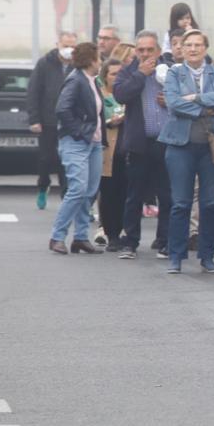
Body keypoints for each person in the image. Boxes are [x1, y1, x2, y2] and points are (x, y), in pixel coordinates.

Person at [158, 30, 214, 275]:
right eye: (188, 45)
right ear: (182, 48)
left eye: (198, 45)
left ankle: (207, 256)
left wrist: (196, 97)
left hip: (211, 148)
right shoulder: (174, 73)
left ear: (206, 48)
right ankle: (176, 257)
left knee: (210, 203)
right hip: (180, 145)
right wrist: (203, 109)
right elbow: (174, 103)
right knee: (180, 203)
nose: (192, 49)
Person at [114, 31, 173, 260]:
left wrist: (169, 100)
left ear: (158, 51)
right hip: (139, 143)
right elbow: (120, 94)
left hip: (165, 142)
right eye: (141, 50)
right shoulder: (129, 72)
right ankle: (130, 241)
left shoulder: (170, 70)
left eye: (150, 49)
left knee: (167, 194)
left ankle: (165, 240)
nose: (145, 54)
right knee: (135, 194)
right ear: (135, 51)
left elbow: (186, 95)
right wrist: (141, 74)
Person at [48, 43, 105, 255]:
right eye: (99, 58)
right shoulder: (76, 79)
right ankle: (57, 236)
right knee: (78, 189)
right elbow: (62, 109)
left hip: (94, 144)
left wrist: (100, 138)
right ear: (91, 60)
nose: (101, 62)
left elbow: (97, 114)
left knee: (89, 192)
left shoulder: (91, 80)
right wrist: (80, 132)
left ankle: (80, 237)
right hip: (76, 142)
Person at [27, 30, 77, 209]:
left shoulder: (78, 65)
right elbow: (33, 92)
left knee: (67, 159)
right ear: (58, 45)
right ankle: (43, 185)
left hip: (69, 122)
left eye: (73, 46)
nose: (69, 49)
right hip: (47, 119)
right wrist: (34, 119)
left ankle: (65, 195)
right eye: (66, 45)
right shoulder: (45, 64)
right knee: (46, 158)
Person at [94, 59, 127, 251]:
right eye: (113, 74)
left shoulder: (127, 95)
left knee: (124, 192)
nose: (117, 78)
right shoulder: (100, 95)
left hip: (126, 148)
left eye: (120, 74)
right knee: (108, 193)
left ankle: (121, 231)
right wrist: (109, 122)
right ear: (105, 76)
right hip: (107, 149)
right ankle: (110, 233)